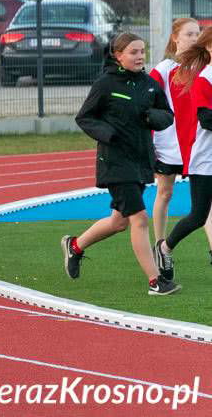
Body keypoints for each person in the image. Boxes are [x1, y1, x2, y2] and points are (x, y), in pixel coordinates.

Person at [64, 32, 179, 295]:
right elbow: (85, 118)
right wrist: (109, 134)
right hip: (115, 163)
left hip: (141, 162)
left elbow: (167, 115)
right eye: (133, 52)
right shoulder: (106, 84)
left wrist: (153, 117)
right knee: (139, 219)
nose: (139, 56)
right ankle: (155, 281)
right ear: (118, 56)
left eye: (142, 51)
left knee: (119, 222)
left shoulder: (149, 84)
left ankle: (75, 246)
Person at [155, 26, 212, 277]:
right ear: (209, 47)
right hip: (205, 160)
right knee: (198, 216)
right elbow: (206, 119)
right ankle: (164, 248)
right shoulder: (204, 79)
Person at [149, 18, 200, 245]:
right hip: (168, 146)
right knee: (165, 193)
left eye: (197, 34)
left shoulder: (204, 68)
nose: (195, 38)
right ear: (175, 38)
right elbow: (148, 107)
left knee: (204, 201)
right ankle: (160, 245)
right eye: (189, 34)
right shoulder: (163, 70)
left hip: (196, 144)